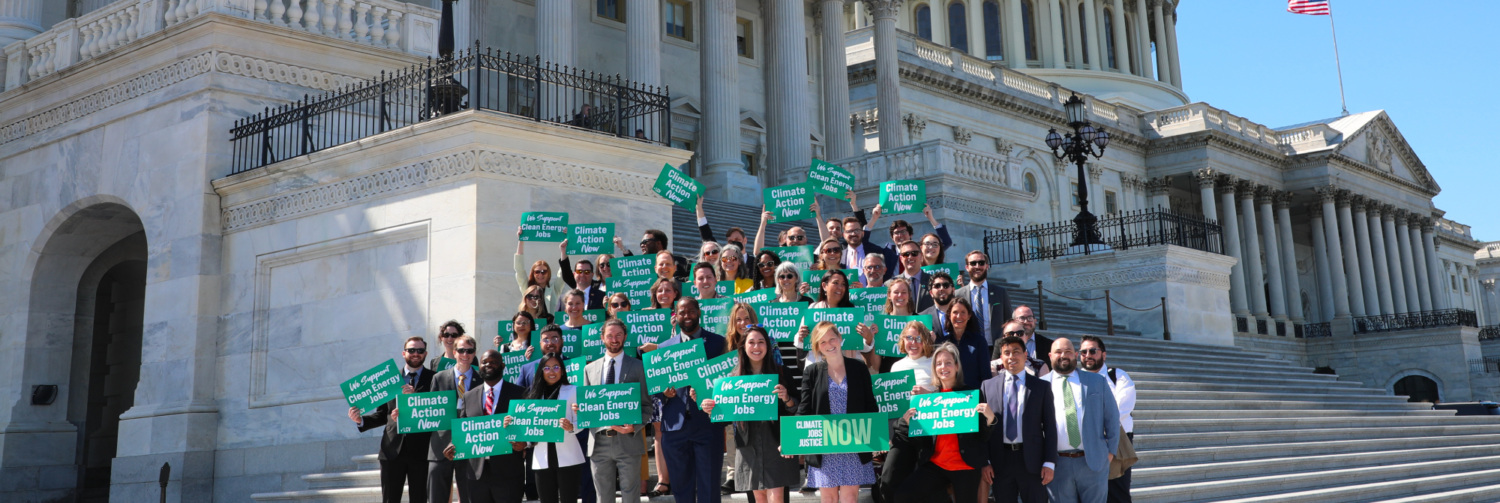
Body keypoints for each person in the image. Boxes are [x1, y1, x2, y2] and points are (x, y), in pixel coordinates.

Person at [700, 326, 800, 503]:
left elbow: (797, 409)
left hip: (777, 446)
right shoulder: (731, 380)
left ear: (768, 346)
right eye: (751, 342)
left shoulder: (782, 373)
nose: (756, 347)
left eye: (761, 342)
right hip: (748, 448)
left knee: (776, 497)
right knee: (758, 498)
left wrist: (786, 398)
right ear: (743, 347)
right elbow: (723, 421)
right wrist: (712, 410)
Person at [892, 343, 994, 503]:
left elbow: (982, 436)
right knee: (902, 496)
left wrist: (991, 419)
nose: (943, 367)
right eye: (938, 363)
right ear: (934, 369)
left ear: (956, 366)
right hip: (936, 465)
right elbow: (921, 441)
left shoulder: (970, 395)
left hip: (965, 466)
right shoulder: (929, 400)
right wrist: (909, 423)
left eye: (948, 363)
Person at [656, 297, 728, 503]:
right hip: (674, 428)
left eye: (690, 311)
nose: (686, 316)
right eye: (682, 312)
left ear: (699, 312)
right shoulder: (664, 348)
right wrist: (664, 393)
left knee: (710, 488)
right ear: (675, 316)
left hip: (707, 425)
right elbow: (656, 389)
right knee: (681, 490)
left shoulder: (718, 343)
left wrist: (708, 393)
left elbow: (727, 382)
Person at [798, 321, 879, 503]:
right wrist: (790, 440)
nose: (829, 345)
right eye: (822, 342)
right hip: (824, 445)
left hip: (855, 442)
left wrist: (878, 437)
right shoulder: (811, 372)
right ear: (817, 346)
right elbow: (804, 410)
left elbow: (870, 406)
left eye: (832, 339)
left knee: (850, 499)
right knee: (829, 499)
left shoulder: (859, 368)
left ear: (840, 339)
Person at [350, 337, 434, 503]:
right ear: (404, 353)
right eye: (411, 350)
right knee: (390, 499)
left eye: (419, 350)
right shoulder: (389, 380)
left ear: (425, 354)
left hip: (422, 450)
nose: (415, 354)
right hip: (392, 449)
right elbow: (382, 414)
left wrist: (415, 398)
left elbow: (438, 411)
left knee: (420, 499)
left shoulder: (436, 378)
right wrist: (360, 420)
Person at [443, 349, 528, 503]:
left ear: (502, 365)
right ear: (479, 366)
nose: (488, 365)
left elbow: (528, 429)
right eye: (484, 362)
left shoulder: (519, 393)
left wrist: (525, 444)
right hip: (476, 474)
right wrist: (453, 445)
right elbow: (462, 430)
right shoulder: (468, 396)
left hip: (508, 472)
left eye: (493, 362)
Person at [1041, 338, 1120, 503]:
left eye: (1068, 351)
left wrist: (1110, 452)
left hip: (1093, 462)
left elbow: (1112, 418)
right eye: (1058, 352)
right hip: (1057, 464)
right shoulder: (1040, 385)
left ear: (1076, 354)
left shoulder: (1096, 381)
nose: (1064, 355)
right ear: (1050, 356)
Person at [981, 334, 1057, 503]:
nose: (1011, 357)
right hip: (1000, 461)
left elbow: (1050, 427)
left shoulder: (1041, 387)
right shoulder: (988, 386)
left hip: (1032, 461)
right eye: (1006, 353)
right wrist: (985, 461)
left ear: (1025, 355)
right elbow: (983, 429)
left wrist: (1049, 462)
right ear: (1001, 357)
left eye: (1016, 352)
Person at [582, 319, 651, 503]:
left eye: (618, 335)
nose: (614, 339)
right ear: (602, 338)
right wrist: (580, 409)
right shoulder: (589, 369)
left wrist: (634, 426)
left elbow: (647, 406)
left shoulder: (638, 367)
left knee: (631, 497)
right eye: (610, 335)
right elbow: (588, 408)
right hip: (599, 442)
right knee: (603, 498)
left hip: (628, 440)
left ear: (625, 337)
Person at [513, 352, 584, 503]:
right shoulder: (533, 396)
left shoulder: (574, 391)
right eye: (547, 368)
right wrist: (512, 424)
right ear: (541, 371)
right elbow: (528, 428)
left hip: (569, 457)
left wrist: (571, 426)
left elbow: (583, 421)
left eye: (556, 367)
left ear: (563, 370)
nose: (552, 371)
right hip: (541, 459)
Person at [1080, 336, 1136, 503]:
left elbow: (1122, 408)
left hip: (1116, 440)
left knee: (1117, 491)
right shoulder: (1075, 379)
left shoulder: (1117, 376)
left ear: (1103, 355)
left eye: (1092, 351)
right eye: (1083, 352)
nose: (1087, 355)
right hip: (1085, 442)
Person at [428, 333, 480, 503]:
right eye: (461, 350)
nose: (465, 355)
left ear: (474, 353)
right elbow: (431, 411)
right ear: (455, 352)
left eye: (470, 351)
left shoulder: (482, 379)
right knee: (437, 495)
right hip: (441, 445)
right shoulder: (439, 377)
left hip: (470, 443)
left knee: (470, 495)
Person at [794, 270, 872, 365]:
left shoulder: (853, 311)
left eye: (843, 284)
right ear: (824, 286)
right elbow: (801, 343)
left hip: (848, 367)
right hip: (818, 366)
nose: (840, 287)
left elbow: (862, 346)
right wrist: (801, 337)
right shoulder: (813, 309)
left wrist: (868, 337)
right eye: (835, 283)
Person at [867, 204, 952, 275]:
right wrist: (874, 218)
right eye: (896, 233)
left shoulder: (920, 250)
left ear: (910, 234)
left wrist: (931, 218)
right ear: (892, 237)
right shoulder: (886, 252)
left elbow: (946, 242)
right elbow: (863, 244)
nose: (900, 235)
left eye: (903, 232)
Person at [956, 250, 1012, 347]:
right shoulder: (958, 294)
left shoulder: (1000, 292)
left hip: (995, 349)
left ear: (987, 266)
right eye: (973, 263)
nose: (977, 266)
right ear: (967, 267)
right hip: (969, 347)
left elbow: (1009, 320)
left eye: (981, 263)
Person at [936, 297, 989, 390]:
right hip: (948, 398)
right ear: (949, 315)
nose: (959, 316)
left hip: (973, 396)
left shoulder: (979, 341)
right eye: (955, 312)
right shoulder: (942, 343)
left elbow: (986, 374)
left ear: (969, 316)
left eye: (963, 312)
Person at [516, 228, 568, 310]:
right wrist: (521, 240)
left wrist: (564, 248)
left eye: (544, 272)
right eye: (537, 272)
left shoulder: (554, 290)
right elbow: (519, 270)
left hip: (549, 322)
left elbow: (563, 272)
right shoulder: (527, 288)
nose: (540, 274)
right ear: (533, 274)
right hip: (532, 322)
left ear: (548, 274)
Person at [993, 305, 1052, 376]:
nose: (1026, 321)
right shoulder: (994, 366)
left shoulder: (1048, 345)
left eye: (1029, 318)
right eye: (1022, 318)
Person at [888, 320, 936, 393]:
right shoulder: (896, 367)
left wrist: (927, 394)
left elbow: (946, 396)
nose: (914, 342)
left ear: (925, 341)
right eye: (909, 338)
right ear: (903, 339)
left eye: (919, 339)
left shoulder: (935, 364)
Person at [892, 241, 932, 310]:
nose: (910, 257)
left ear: (921, 256)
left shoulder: (934, 281)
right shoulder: (891, 283)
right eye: (906, 254)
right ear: (901, 258)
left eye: (914, 253)